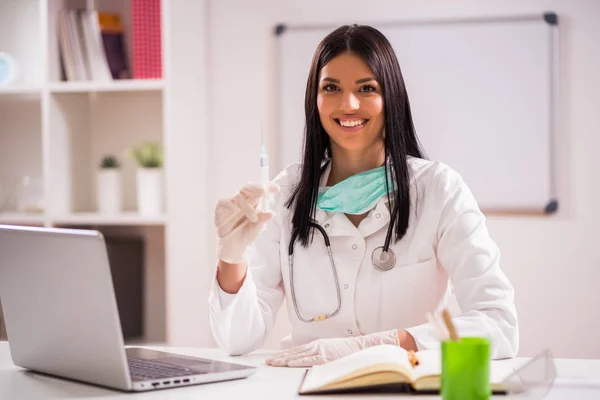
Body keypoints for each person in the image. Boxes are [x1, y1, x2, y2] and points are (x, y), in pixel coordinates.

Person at [209, 24, 518, 367]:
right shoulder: (287, 192)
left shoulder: (438, 190)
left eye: (366, 88)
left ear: (391, 97)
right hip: (306, 385)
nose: (349, 103)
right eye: (332, 88)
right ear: (316, 99)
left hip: (405, 384)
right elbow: (238, 339)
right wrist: (231, 255)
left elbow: (499, 325)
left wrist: (389, 343)